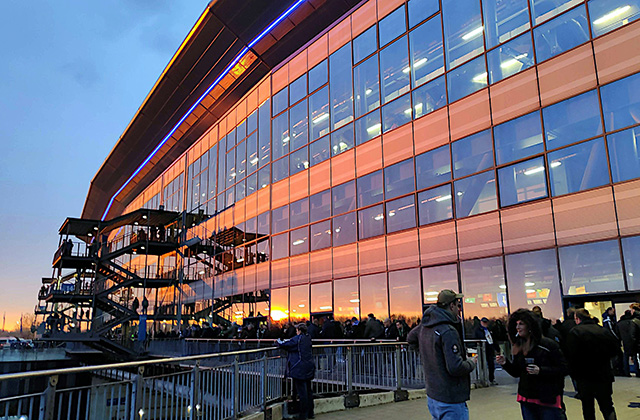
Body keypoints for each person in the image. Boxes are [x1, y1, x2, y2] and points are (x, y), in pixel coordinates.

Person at [407, 290, 476, 420]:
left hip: (433, 395)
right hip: (451, 398)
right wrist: (472, 363)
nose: (459, 309)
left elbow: (411, 338)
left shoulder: (426, 325)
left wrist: (428, 355)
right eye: (458, 305)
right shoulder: (448, 331)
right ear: (451, 306)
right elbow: (455, 367)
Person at [496, 309, 567, 420]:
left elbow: (563, 369)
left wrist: (541, 371)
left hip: (547, 398)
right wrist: (505, 363)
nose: (517, 327)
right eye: (516, 324)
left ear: (529, 326)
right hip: (527, 398)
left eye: (521, 324)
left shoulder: (547, 345)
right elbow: (516, 372)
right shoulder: (519, 346)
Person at [565, 308, 620, 420]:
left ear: (577, 318)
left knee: (588, 407)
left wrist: (574, 374)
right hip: (603, 374)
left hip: (584, 376)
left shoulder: (575, 332)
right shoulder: (602, 330)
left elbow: (570, 356)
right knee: (607, 406)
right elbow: (615, 350)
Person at [276, 323, 315, 420]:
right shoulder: (308, 338)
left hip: (299, 368)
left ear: (299, 330)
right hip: (309, 367)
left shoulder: (298, 339)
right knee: (308, 391)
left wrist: (278, 342)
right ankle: (310, 413)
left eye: (297, 330)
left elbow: (285, 344)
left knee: (302, 392)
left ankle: (303, 415)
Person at [474, 317, 498, 384]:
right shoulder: (478, 330)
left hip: (490, 349)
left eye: (486, 322)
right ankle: (482, 379)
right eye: (483, 322)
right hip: (482, 349)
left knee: (491, 364)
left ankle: (491, 379)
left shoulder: (490, 330)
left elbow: (494, 339)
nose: (485, 324)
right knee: (481, 364)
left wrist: (496, 348)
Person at [618, 309, 639, 377]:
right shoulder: (632, 322)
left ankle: (626, 372)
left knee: (625, 358)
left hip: (624, 342)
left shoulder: (619, 323)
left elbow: (617, 334)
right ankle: (637, 372)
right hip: (633, 342)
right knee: (635, 357)